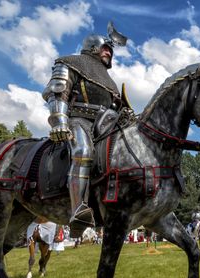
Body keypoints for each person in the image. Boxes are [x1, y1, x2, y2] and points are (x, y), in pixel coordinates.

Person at [43, 22, 128, 237]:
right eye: (106, 48)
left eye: (111, 50)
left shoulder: (110, 82)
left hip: (104, 126)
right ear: (92, 47)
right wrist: (59, 122)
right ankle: (78, 210)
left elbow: (117, 109)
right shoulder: (70, 63)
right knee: (83, 152)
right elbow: (57, 93)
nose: (109, 52)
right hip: (78, 120)